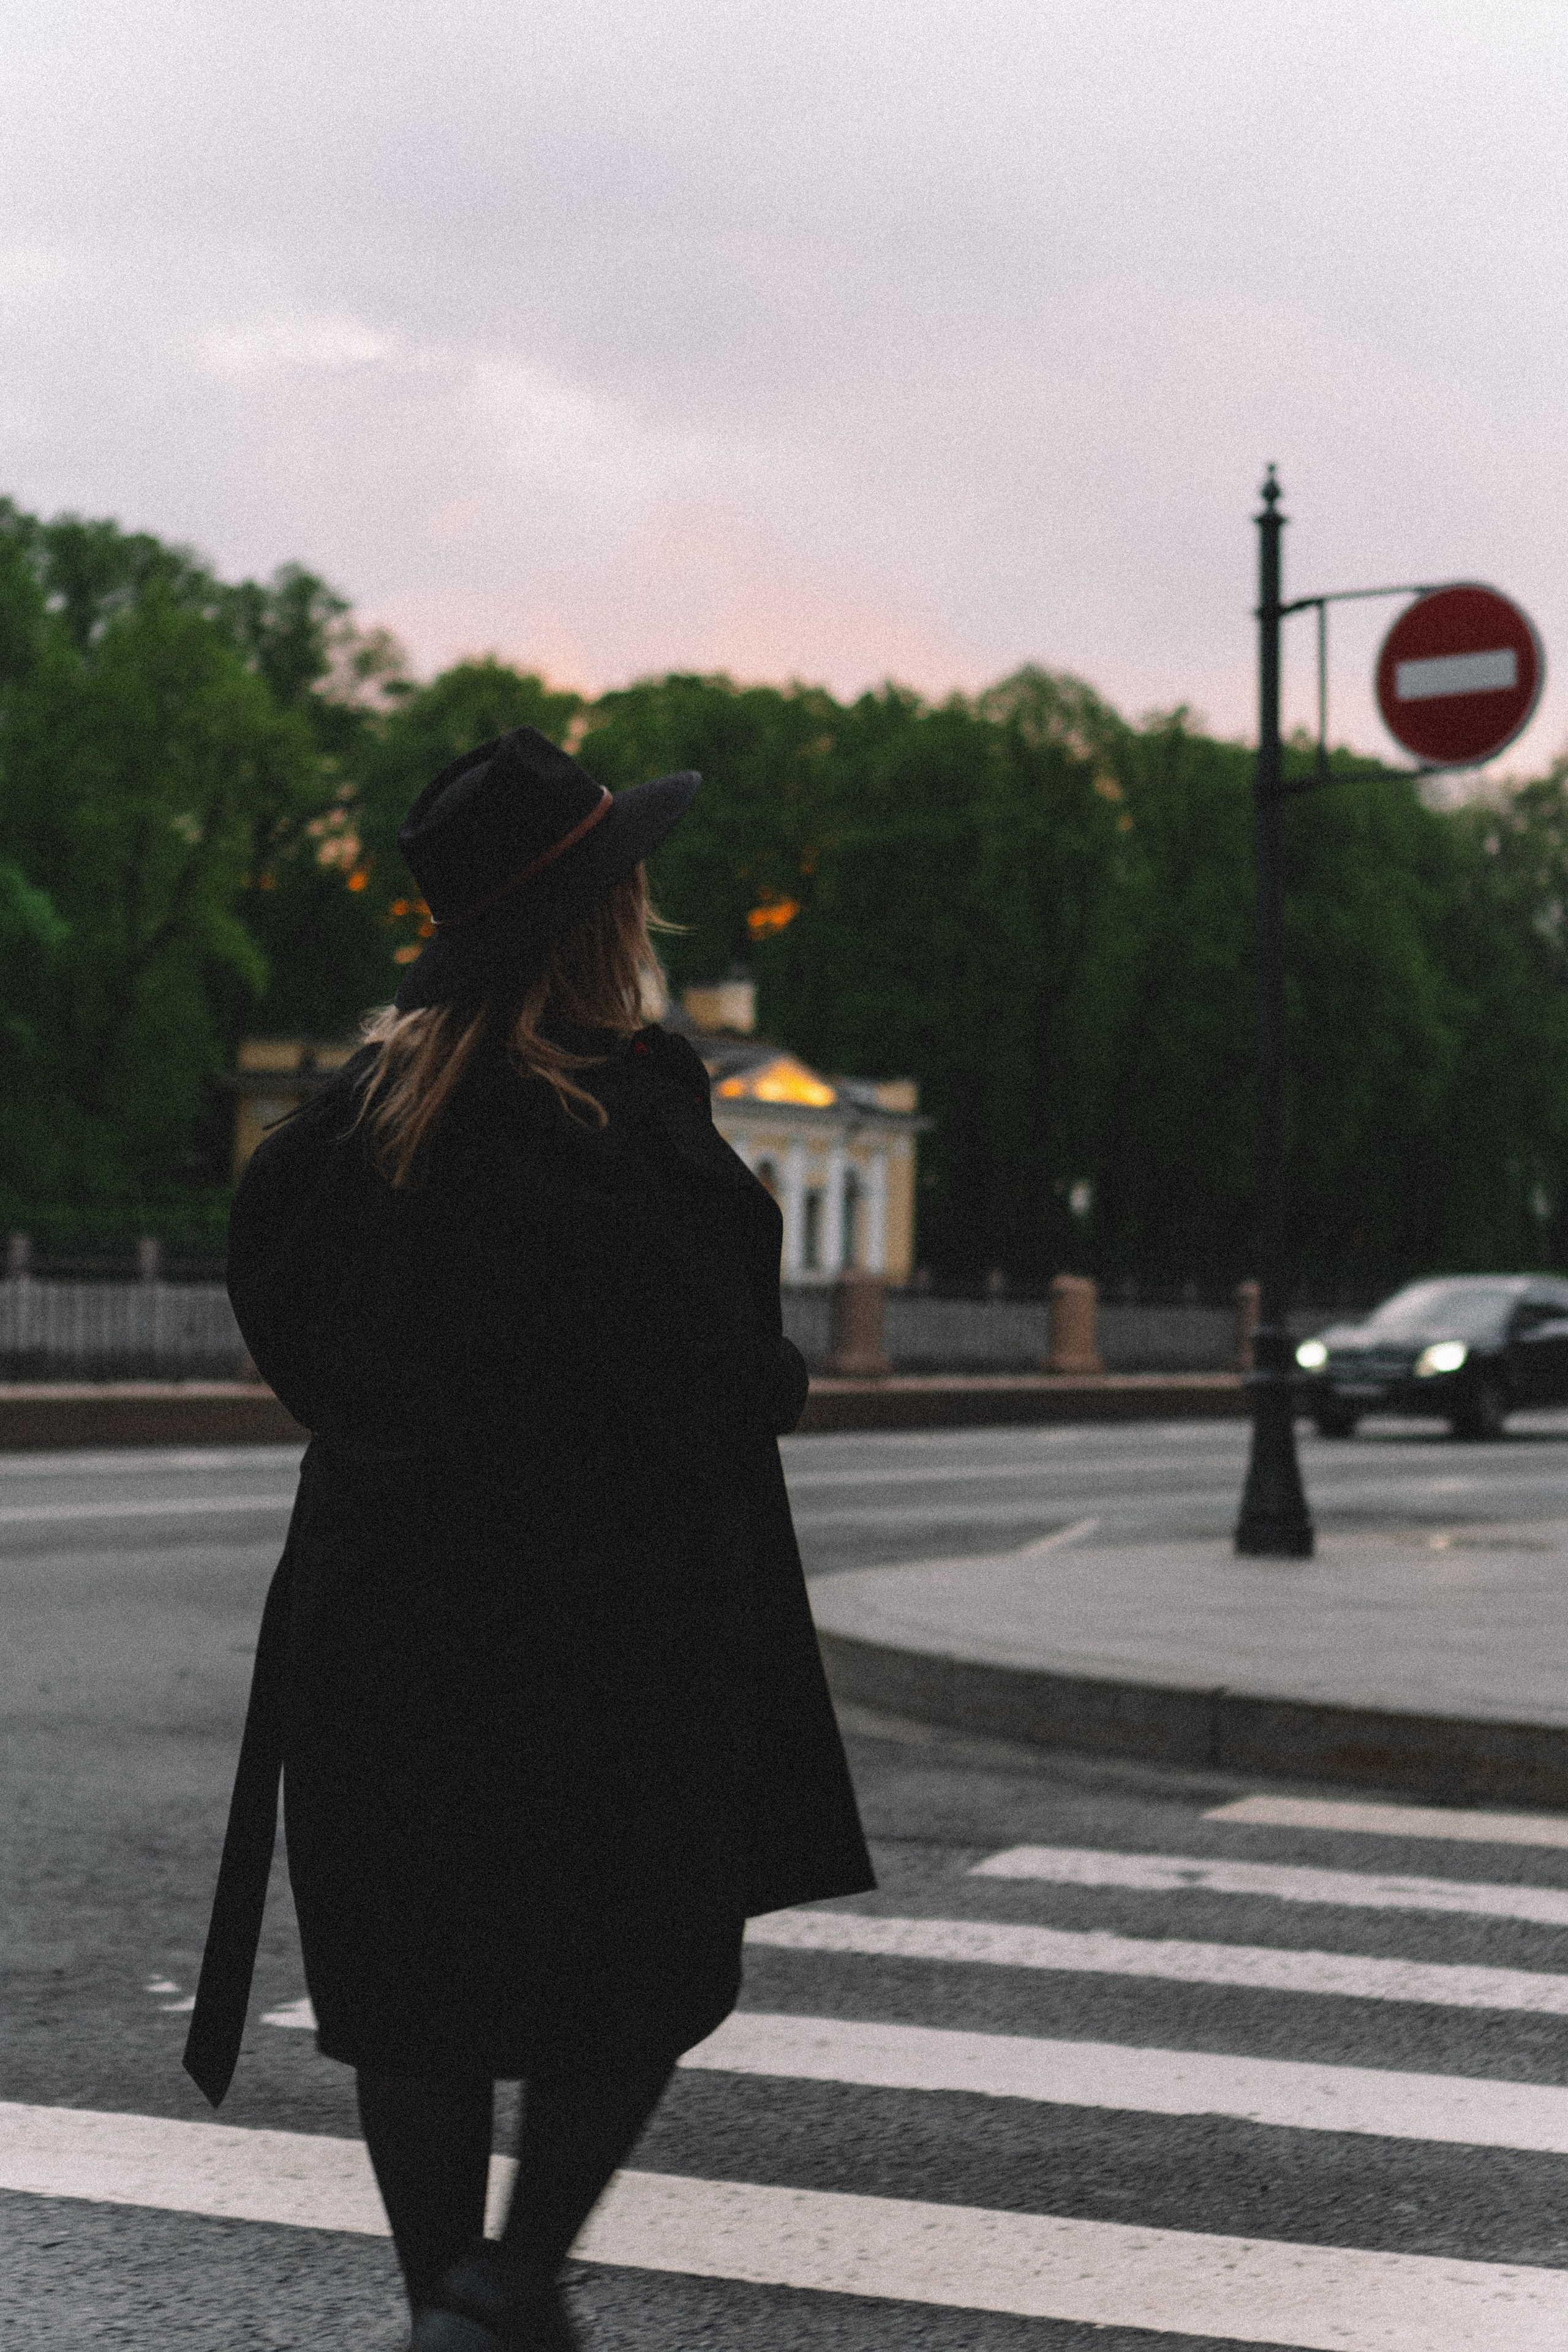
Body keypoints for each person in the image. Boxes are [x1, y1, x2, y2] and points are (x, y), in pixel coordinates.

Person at [183, 728, 875, 2350]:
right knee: (634, 1967)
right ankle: (513, 2274)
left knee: (415, 1989)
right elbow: (737, 1376)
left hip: (383, 1627)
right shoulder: (628, 1124)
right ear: (600, 924)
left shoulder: (348, 1135)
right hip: (610, 1639)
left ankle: (444, 2296)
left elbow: (295, 1336)